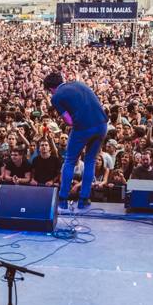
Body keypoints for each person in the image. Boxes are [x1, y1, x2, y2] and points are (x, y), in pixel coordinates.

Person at [44, 71, 108, 209]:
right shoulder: (79, 84)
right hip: (102, 125)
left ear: (51, 89)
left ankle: (63, 198)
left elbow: (69, 121)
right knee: (90, 160)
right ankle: (84, 199)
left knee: (70, 160)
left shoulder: (56, 97)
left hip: (83, 128)